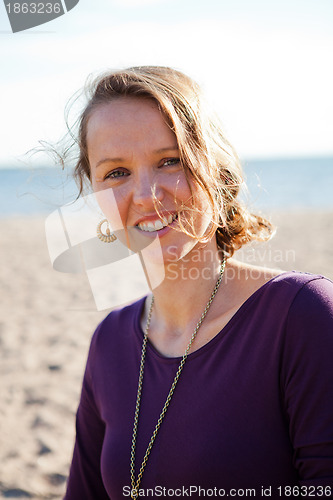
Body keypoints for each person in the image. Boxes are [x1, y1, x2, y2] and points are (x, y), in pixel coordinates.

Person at [63, 66, 333, 499]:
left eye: (170, 161)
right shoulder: (109, 341)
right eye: (116, 172)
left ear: (216, 169)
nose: (147, 194)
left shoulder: (302, 315)